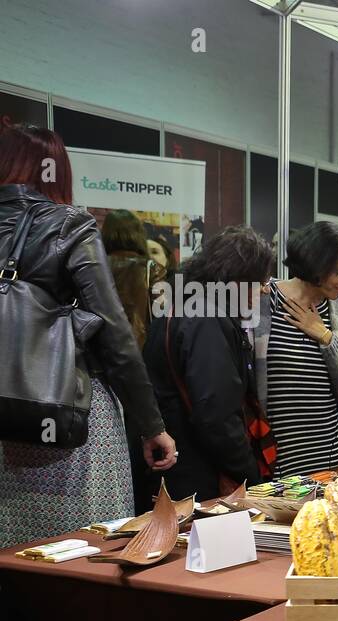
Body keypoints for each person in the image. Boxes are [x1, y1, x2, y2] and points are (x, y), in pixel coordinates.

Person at [0, 125, 175, 547]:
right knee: (81, 551)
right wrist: (151, 425)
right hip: (63, 416)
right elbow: (113, 331)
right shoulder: (68, 224)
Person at [142, 226, 275, 500]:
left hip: (177, 469)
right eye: (259, 282)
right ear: (237, 280)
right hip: (201, 476)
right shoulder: (208, 320)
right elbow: (217, 413)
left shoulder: (184, 308)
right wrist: (249, 475)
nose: (263, 291)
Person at [255, 221, 338, 477]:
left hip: (332, 460)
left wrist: (326, 338)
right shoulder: (263, 300)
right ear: (317, 265)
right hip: (274, 460)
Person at [101, 209, 164, 348]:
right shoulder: (151, 268)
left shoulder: (93, 267)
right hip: (140, 348)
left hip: (99, 349)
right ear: (139, 234)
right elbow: (162, 314)